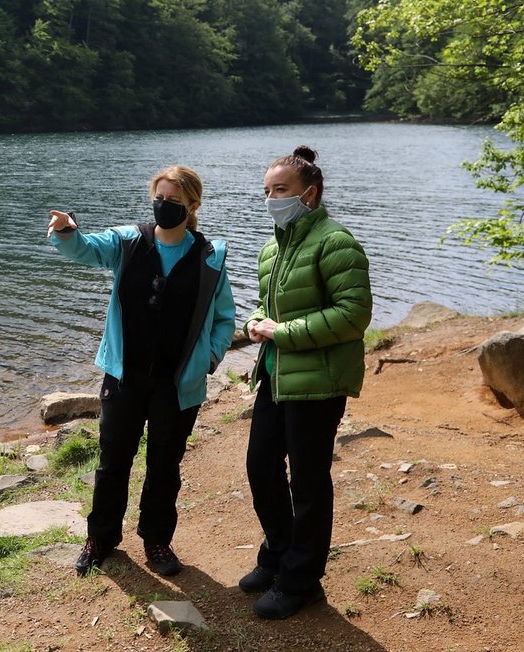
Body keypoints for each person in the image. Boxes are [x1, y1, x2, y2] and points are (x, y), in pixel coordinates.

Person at [45, 165, 236, 577]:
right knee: (113, 460)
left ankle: (157, 540)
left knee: (165, 465)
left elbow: (224, 319)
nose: (163, 206)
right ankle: (101, 538)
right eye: (159, 198)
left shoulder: (209, 257)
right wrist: (67, 232)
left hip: (177, 383)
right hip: (125, 377)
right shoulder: (129, 241)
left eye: (173, 201)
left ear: (193, 206)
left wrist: (211, 358)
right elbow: (87, 249)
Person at [241, 145, 372, 619]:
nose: (272, 198)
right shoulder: (273, 247)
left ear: (309, 194)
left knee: (309, 483)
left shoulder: (337, 242)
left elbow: (353, 315)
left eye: (281, 190)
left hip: (319, 383)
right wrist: (259, 321)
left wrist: (284, 332)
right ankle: (278, 553)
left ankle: (301, 581)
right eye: (267, 191)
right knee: (260, 468)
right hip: (276, 377)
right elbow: (268, 306)